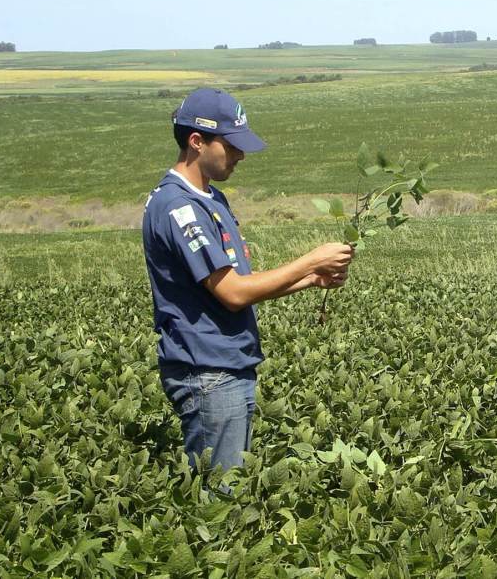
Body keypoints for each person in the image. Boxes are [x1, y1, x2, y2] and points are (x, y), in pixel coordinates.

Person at [142, 88, 354, 472]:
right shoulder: (178, 208)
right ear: (196, 141)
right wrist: (310, 259)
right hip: (207, 370)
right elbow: (234, 293)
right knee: (220, 500)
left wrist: (311, 279)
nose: (240, 155)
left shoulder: (211, 199)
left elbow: (240, 282)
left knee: (232, 488)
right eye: (231, 145)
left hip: (227, 364)